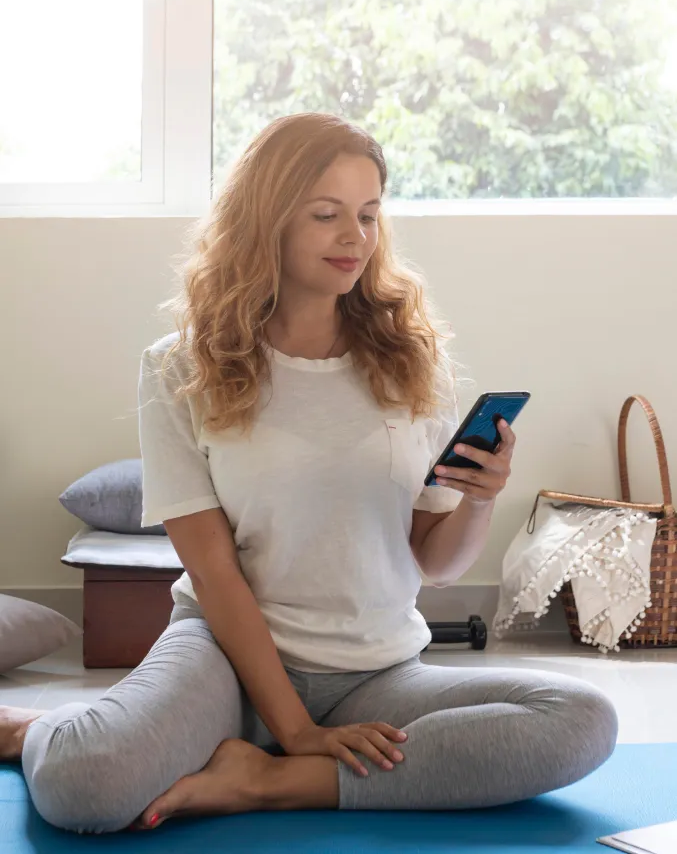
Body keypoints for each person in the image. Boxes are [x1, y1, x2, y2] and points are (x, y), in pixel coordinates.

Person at [0, 113, 618, 834]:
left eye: (368, 214)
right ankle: (22, 729)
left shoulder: (411, 360)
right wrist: (293, 726)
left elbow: (433, 560)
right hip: (223, 661)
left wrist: (479, 501)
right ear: (265, 220)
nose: (354, 237)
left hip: (377, 671)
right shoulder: (178, 365)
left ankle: (265, 782)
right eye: (326, 215)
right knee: (85, 785)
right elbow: (214, 573)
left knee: (580, 719)